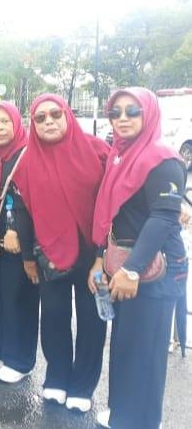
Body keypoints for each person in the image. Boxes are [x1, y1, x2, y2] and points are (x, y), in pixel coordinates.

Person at [90, 88, 187, 429]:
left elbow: (163, 218)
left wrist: (131, 269)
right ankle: (123, 413)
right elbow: (112, 214)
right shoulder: (120, 156)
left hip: (155, 270)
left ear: (149, 114)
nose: (123, 118)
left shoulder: (163, 159)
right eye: (115, 112)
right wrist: (102, 259)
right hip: (124, 265)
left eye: (132, 111)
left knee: (146, 350)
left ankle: (142, 421)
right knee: (126, 342)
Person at [12, 93, 110, 412]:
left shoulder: (97, 151)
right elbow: (23, 212)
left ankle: (83, 385)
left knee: (92, 320)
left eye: (55, 114)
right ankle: (57, 377)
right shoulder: (28, 160)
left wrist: (103, 254)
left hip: (93, 254)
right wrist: (28, 258)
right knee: (54, 317)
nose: (49, 122)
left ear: (67, 115)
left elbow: (113, 205)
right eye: (40, 118)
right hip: (50, 254)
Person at [0, 101, 39, 383]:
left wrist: (17, 230)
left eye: (5, 121)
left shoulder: (28, 154)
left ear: (16, 123)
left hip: (18, 236)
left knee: (17, 295)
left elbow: (34, 197)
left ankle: (19, 359)